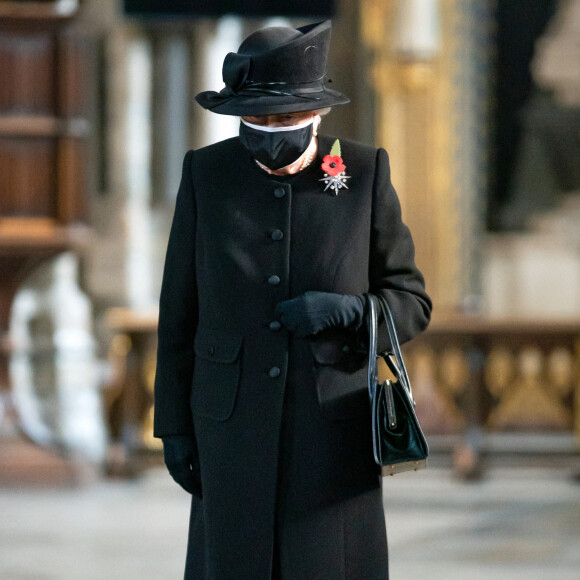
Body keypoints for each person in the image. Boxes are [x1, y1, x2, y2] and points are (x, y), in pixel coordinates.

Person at [153, 20, 431, 580]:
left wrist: (352, 312)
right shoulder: (205, 174)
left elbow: (412, 302)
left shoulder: (363, 172)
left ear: (317, 115)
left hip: (331, 427)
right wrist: (174, 426)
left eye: (283, 120)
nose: (269, 133)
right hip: (230, 425)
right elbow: (178, 312)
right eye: (254, 121)